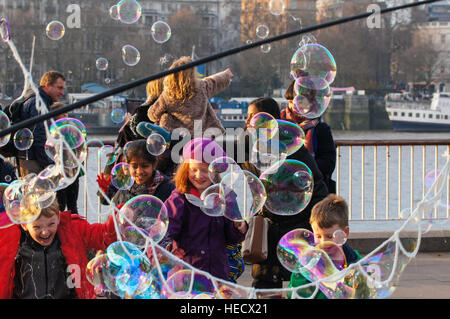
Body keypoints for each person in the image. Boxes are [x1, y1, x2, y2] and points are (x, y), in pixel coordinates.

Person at [240, 97, 329, 290]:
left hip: (295, 225)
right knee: (263, 283)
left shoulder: (293, 150)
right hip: (266, 227)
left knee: (300, 281)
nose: (247, 122)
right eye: (247, 117)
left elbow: (317, 187)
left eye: (253, 117)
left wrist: (316, 223)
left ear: (269, 122)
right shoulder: (247, 149)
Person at [161, 138, 247, 281]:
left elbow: (232, 238)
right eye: (193, 170)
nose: (199, 176)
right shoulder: (180, 199)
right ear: (185, 170)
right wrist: (165, 253)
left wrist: (238, 228)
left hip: (217, 275)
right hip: (187, 275)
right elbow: (162, 232)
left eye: (205, 170)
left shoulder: (225, 197)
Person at [0, 199, 117, 299]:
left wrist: (119, 218)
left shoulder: (72, 230)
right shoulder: (11, 239)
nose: (45, 232)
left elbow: (103, 236)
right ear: (24, 224)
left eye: (51, 224)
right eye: (36, 227)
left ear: (59, 218)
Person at [287, 194, 362, 299]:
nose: (323, 242)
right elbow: (294, 293)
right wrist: (317, 274)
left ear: (345, 233)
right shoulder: (307, 262)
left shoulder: (356, 263)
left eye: (329, 236)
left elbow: (365, 293)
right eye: (318, 236)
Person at [147, 56, 231, 137]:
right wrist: (226, 74)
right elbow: (214, 81)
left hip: (175, 137)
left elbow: (153, 115)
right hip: (199, 135)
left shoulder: (168, 94)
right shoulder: (201, 87)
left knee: (164, 117)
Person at [281, 80, 337, 193]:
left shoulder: (321, 129)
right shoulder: (280, 126)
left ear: (311, 103)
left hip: (315, 190)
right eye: (291, 101)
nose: (294, 106)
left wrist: (301, 169)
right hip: (286, 190)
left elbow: (329, 163)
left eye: (299, 101)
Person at [17, 71, 66, 177]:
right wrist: (48, 163)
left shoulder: (38, 100)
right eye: (59, 88)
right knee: (36, 192)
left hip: (31, 157)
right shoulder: (38, 104)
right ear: (48, 85)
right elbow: (39, 136)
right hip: (33, 160)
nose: (62, 92)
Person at [109, 139, 175, 205]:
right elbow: (114, 211)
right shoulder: (126, 189)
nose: (139, 171)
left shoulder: (169, 188)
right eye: (134, 167)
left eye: (145, 166)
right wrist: (107, 190)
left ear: (154, 164)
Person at [50, 102, 80, 215]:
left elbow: (77, 146)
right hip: (60, 170)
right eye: (62, 114)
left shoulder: (70, 129)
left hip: (72, 168)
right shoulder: (54, 131)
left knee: (73, 203)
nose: (65, 116)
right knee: (60, 203)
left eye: (66, 113)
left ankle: (76, 227)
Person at [116, 78, 164, 148]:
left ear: (150, 89)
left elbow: (123, 138)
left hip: (137, 153)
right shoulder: (170, 108)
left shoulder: (143, 110)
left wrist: (128, 121)